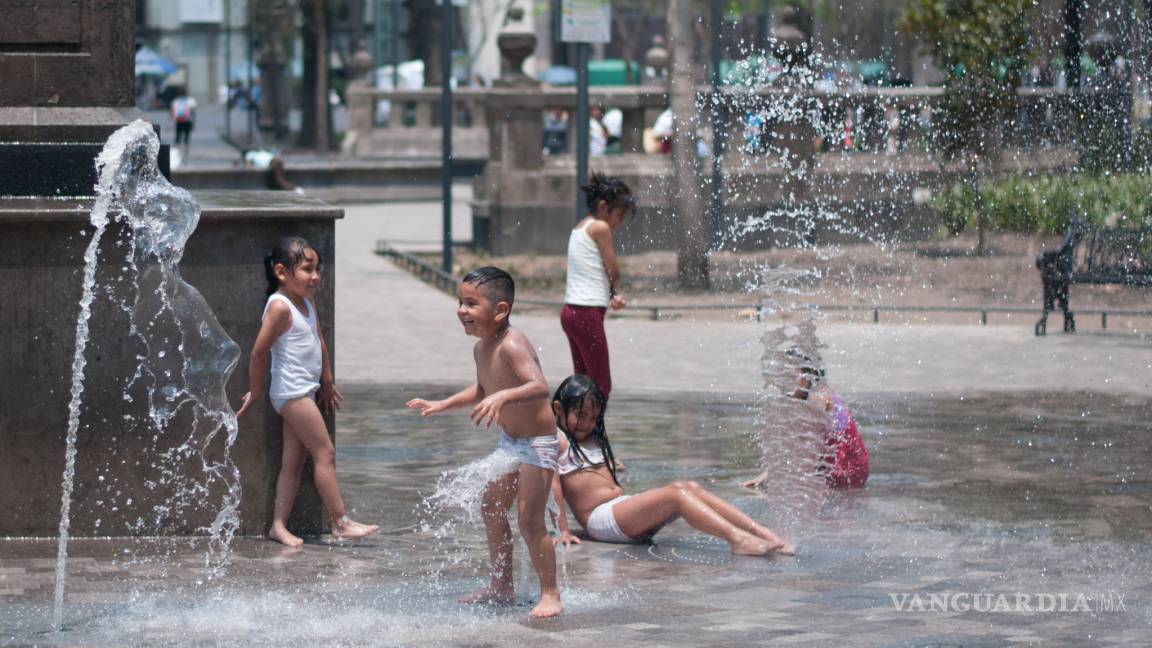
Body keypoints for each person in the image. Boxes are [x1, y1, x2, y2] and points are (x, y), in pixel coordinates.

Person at [406, 267, 563, 619]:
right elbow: (482, 390)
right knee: (491, 507)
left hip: (538, 444)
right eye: (460, 302)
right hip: (511, 442)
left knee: (529, 520)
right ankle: (501, 586)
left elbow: (539, 386)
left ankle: (550, 593)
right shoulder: (482, 348)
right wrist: (444, 403)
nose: (462, 310)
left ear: (501, 310)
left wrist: (503, 397)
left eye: (471, 303)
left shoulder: (513, 343)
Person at [549, 375, 794, 556]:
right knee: (676, 492)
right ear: (559, 409)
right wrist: (561, 530)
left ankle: (761, 531)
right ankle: (737, 539)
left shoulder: (591, 438)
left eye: (593, 418)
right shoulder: (557, 439)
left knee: (690, 487)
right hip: (601, 520)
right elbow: (553, 486)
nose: (587, 423)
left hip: (620, 510)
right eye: (580, 416)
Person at [236, 237, 379, 547]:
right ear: (281, 272)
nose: (315, 277)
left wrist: (327, 381)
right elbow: (259, 352)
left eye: (317, 269)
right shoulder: (279, 307)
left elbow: (319, 341)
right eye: (307, 269)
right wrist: (256, 390)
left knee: (294, 462)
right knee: (324, 452)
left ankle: (278, 526)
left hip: (305, 390)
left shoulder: (306, 302)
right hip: (291, 393)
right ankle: (339, 521)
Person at [741, 348, 869, 490]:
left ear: (809, 376)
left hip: (847, 469)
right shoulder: (802, 399)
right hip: (839, 465)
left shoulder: (819, 397)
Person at [561, 172, 634, 401]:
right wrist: (616, 290)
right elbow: (612, 269)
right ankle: (594, 434)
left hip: (570, 312)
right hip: (586, 313)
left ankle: (576, 432)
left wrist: (611, 294)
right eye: (620, 215)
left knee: (583, 380)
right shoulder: (600, 227)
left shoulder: (580, 227)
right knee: (601, 384)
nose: (620, 222)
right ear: (603, 207)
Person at [169, 88, 196, 156]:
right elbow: (193, 112)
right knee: (187, 136)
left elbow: (172, 112)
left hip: (179, 120)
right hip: (188, 120)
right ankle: (186, 150)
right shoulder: (190, 101)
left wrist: (171, 120)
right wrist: (193, 122)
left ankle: (177, 150)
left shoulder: (176, 101)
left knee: (178, 135)